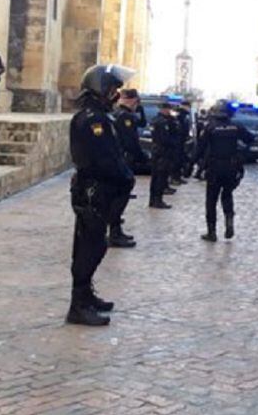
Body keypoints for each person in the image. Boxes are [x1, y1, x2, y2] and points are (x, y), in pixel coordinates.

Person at [65, 63, 136, 326]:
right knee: (90, 247)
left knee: (93, 244)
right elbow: (104, 159)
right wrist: (125, 176)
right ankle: (78, 305)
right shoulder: (93, 119)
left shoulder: (98, 116)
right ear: (100, 89)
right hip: (93, 191)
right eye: (113, 89)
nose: (116, 94)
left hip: (98, 189)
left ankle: (85, 296)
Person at [197, 100, 254, 241]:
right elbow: (250, 139)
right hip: (231, 167)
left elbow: (199, 148)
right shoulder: (236, 126)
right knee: (227, 195)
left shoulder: (210, 127)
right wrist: (241, 154)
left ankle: (212, 232)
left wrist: (190, 165)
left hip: (215, 167)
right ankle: (229, 220)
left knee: (211, 199)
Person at [109, 89, 147, 249]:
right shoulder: (126, 117)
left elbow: (142, 123)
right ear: (132, 101)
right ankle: (114, 233)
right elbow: (131, 142)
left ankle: (116, 229)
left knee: (116, 196)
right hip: (123, 160)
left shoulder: (116, 114)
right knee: (120, 197)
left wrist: (141, 109)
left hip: (116, 159)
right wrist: (142, 157)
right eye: (136, 102)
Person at [148, 102, 179, 209]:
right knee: (161, 176)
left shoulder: (155, 120)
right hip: (163, 152)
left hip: (156, 151)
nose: (169, 111)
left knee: (155, 176)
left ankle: (153, 199)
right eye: (168, 109)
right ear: (164, 109)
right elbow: (165, 139)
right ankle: (158, 200)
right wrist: (174, 143)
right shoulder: (162, 122)